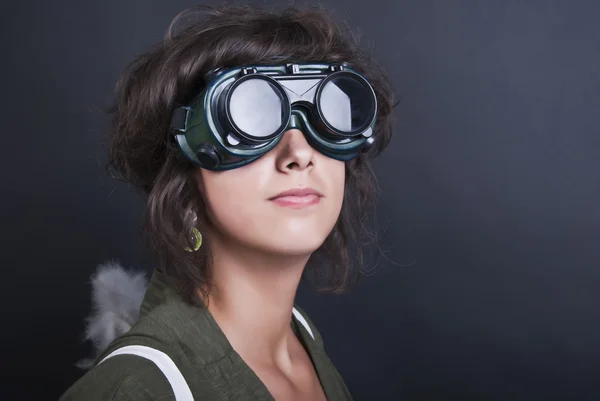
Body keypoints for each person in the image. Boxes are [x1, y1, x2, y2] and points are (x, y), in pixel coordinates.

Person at [59, 3, 395, 401]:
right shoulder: (138, 388)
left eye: (324, 117)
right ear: (183, 174)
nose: (299, 154)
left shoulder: (300, 336)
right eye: (252, 116)